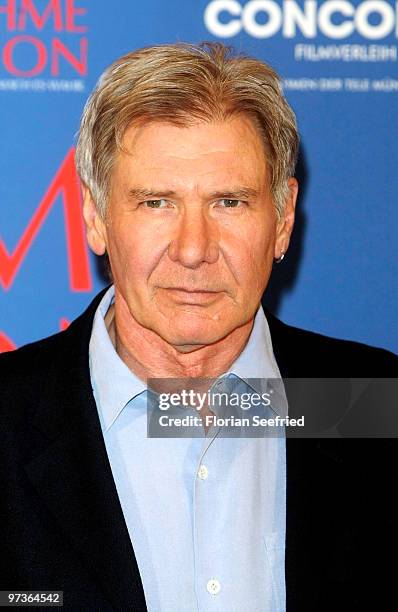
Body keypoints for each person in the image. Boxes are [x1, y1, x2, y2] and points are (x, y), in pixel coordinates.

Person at [0, 42, 397, 612]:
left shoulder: (376, 402)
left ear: (282, 219)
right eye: (157, 202)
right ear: (94, 216)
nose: (193, 250)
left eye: (229, 202)